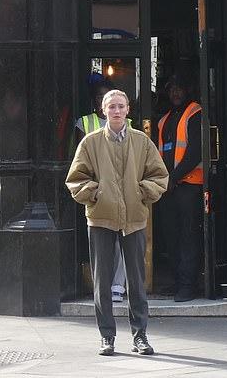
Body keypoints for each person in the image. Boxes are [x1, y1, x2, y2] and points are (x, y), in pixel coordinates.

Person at [66, 89, 168, 356]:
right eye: (111, 107)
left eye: (121, 106)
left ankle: (140, 336)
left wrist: (141, 192)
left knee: (136, 280)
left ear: (128, 110)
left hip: (134, 218)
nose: (116, 111)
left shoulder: (142, 142)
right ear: (103, 110)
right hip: (100, 218)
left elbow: (159, 175)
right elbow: (75, 178)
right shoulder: (89, 142)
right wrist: (96, 194)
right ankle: (107, 337)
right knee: (102, 281)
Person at [75, 78, 128, 302]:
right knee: (101, 242)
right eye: (102, 100)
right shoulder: (84, 123)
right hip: (97, 193)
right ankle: (102, 286)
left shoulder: (131, 127)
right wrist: (92, 191)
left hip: (122, 192)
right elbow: (78, 164)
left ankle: (118, 285)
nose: (113, 109)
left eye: (119, 105)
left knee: (122, 241)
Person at [156, 73, 204, 302]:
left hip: (189, 185)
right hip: (169, 186)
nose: (175, 93)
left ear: (187, 90)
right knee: (171, 236)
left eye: (179, 88)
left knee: (187, 236)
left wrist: (172, 178)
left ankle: (188, 285)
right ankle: (178, 281)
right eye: (171, 88)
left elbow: (195, 152)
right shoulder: (164, 120)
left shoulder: (195, 112)